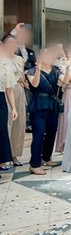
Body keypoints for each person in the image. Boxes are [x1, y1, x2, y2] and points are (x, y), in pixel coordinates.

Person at [26, 48, 62, 175]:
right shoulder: (31, 71)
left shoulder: (56, 71)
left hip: (52, 104)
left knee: (52, 133)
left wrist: (69, 66)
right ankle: (34, 164)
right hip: (38, 105)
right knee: (39, 134)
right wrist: (38, 69)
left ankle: (46, 158)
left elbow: (65, 80)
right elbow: (35, 84)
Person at [2, 34, 26, 166]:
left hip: (19, 91)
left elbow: (22, 78)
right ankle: (3, 157)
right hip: (6, 91)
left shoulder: (19, 59)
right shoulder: (2, 59)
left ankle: (15, 155)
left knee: (19, 124)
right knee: (6, 124)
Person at [0, 40, 18, 173]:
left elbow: (9, 90)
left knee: (2, 130)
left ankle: (2, 161)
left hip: (1, 100)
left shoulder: (5, 65)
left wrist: (14, 108)